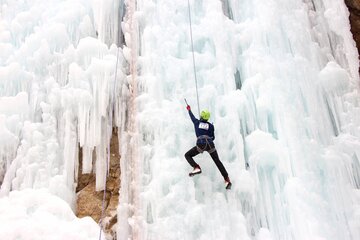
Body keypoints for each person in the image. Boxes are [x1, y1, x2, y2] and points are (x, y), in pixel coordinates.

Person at [184, 104, 232, 190]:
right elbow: (213, 137)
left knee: (187, 155)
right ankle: (227, 180)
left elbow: (192, 117)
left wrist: (189, 109)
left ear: (201, 116)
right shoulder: (210, 126)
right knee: (217, 161)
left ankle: (196, 167)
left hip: (201, 144)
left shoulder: (197, 122)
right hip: (210, 144)